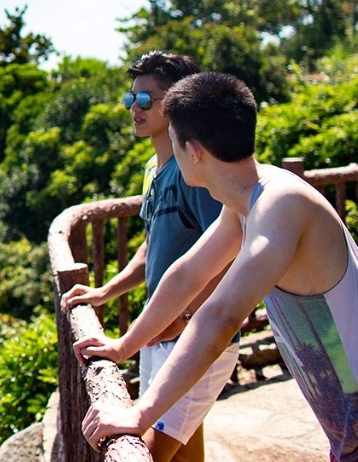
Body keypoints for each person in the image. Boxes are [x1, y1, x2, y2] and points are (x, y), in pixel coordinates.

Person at [76, 72, 358, 461]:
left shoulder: (281, 203)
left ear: (194, 151)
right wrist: (123, 347)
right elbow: (189, 272)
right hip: (357, 433)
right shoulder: (245, 203)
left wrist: (140, 412)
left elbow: (221, 316)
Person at [60, 51, 236, 462]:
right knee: (181, 453)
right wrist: (105, 292)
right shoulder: (155, 171)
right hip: (168, 334)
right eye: (130, 99)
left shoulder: (196, 169)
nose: (133, 109)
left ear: (178, 103)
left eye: (145, 100)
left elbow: (227, 250)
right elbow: (150, 247)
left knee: (149, 453)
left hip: (195, 338)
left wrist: (186, 316)